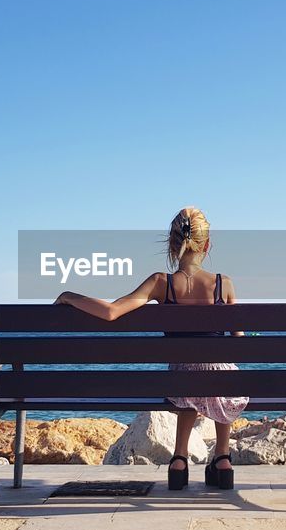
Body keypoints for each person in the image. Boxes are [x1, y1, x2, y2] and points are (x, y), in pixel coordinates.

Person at [54, 206, 247, 490]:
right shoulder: (224, 284)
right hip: (220, 378)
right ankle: (222, 457)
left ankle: (179, 458)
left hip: (179, 379)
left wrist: (69, 295)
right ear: (207, 244)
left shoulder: (161, 283)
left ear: (172, 243)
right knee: (220, 373)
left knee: (189, 379)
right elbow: (239, 342)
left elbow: (111, 312)